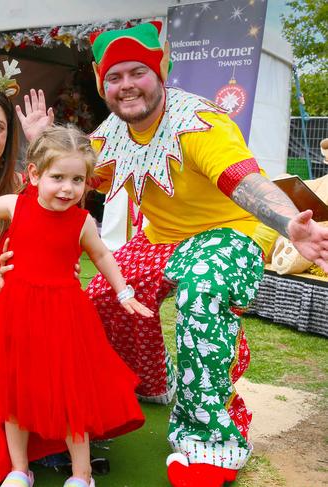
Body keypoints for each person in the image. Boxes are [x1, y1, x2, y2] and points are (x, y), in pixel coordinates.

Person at [79, 22, 328, 487]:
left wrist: (286, 222)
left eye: (138, 72)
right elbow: (67, 178)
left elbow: (244, 180)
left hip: (226, 232)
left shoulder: (200, 122)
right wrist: (36, 142)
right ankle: (155, 383)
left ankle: (212, 439)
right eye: (115, 77)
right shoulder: (107, 137)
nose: (127, 85)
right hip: (161, 237)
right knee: (105, 294)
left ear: (161, 71)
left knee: (203, 291)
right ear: (101, 85)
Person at [0, 125, 149, 487]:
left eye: (77, 179)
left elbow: (102, 255)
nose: (67, 188)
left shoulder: (81, 222)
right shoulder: (17, 206)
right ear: (34, 175)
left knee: (67, 397)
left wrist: (124, 292)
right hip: (17, 317)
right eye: (58, 177)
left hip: (64, 320)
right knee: (13, 396)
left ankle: (83, 474)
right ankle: (20, 469)